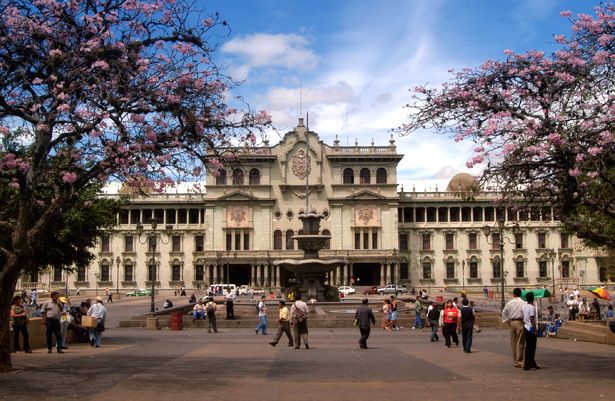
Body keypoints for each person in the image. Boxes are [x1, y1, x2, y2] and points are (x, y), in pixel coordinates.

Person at [502, 287, 525, 368]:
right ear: (520, 294)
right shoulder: (523, 302)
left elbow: (504, 312)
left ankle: (515, 360)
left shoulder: (510, 303)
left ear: (513, 294)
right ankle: (519, 361)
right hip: (520, 322)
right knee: (520, 342)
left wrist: (506, 320)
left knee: (513, 343)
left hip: (512, 322)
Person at [522, 292, 539, 370]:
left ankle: (530, 363)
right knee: (532, 347)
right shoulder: (532, 307)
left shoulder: (524, 306)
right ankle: (528, 364)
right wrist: (535, 329)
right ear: (532, 298)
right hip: (531, 328)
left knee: (528, 347)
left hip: (525, 327)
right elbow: (532, 319)